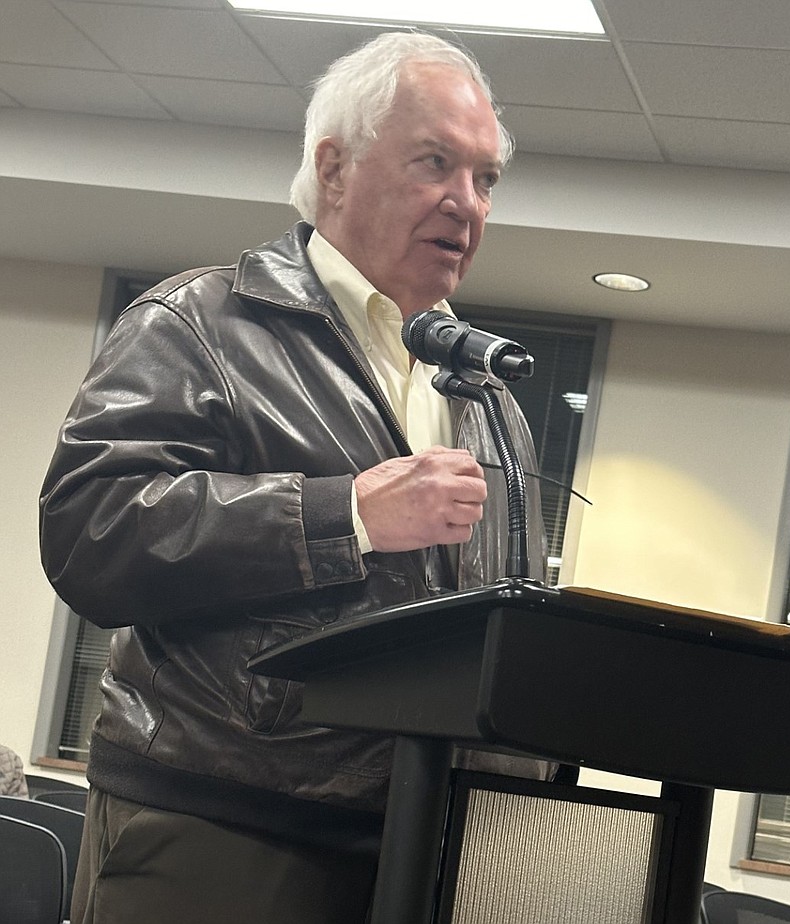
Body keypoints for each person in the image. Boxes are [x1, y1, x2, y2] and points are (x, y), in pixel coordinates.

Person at [39, 31, 548, 924]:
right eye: (435, 162)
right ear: (335, 165)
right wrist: (345, 514)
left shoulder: (478, 388)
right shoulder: (199, 323)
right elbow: (93, 531)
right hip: (225, 827)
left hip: (425, 842)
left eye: (487, 178)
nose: (465, 204)